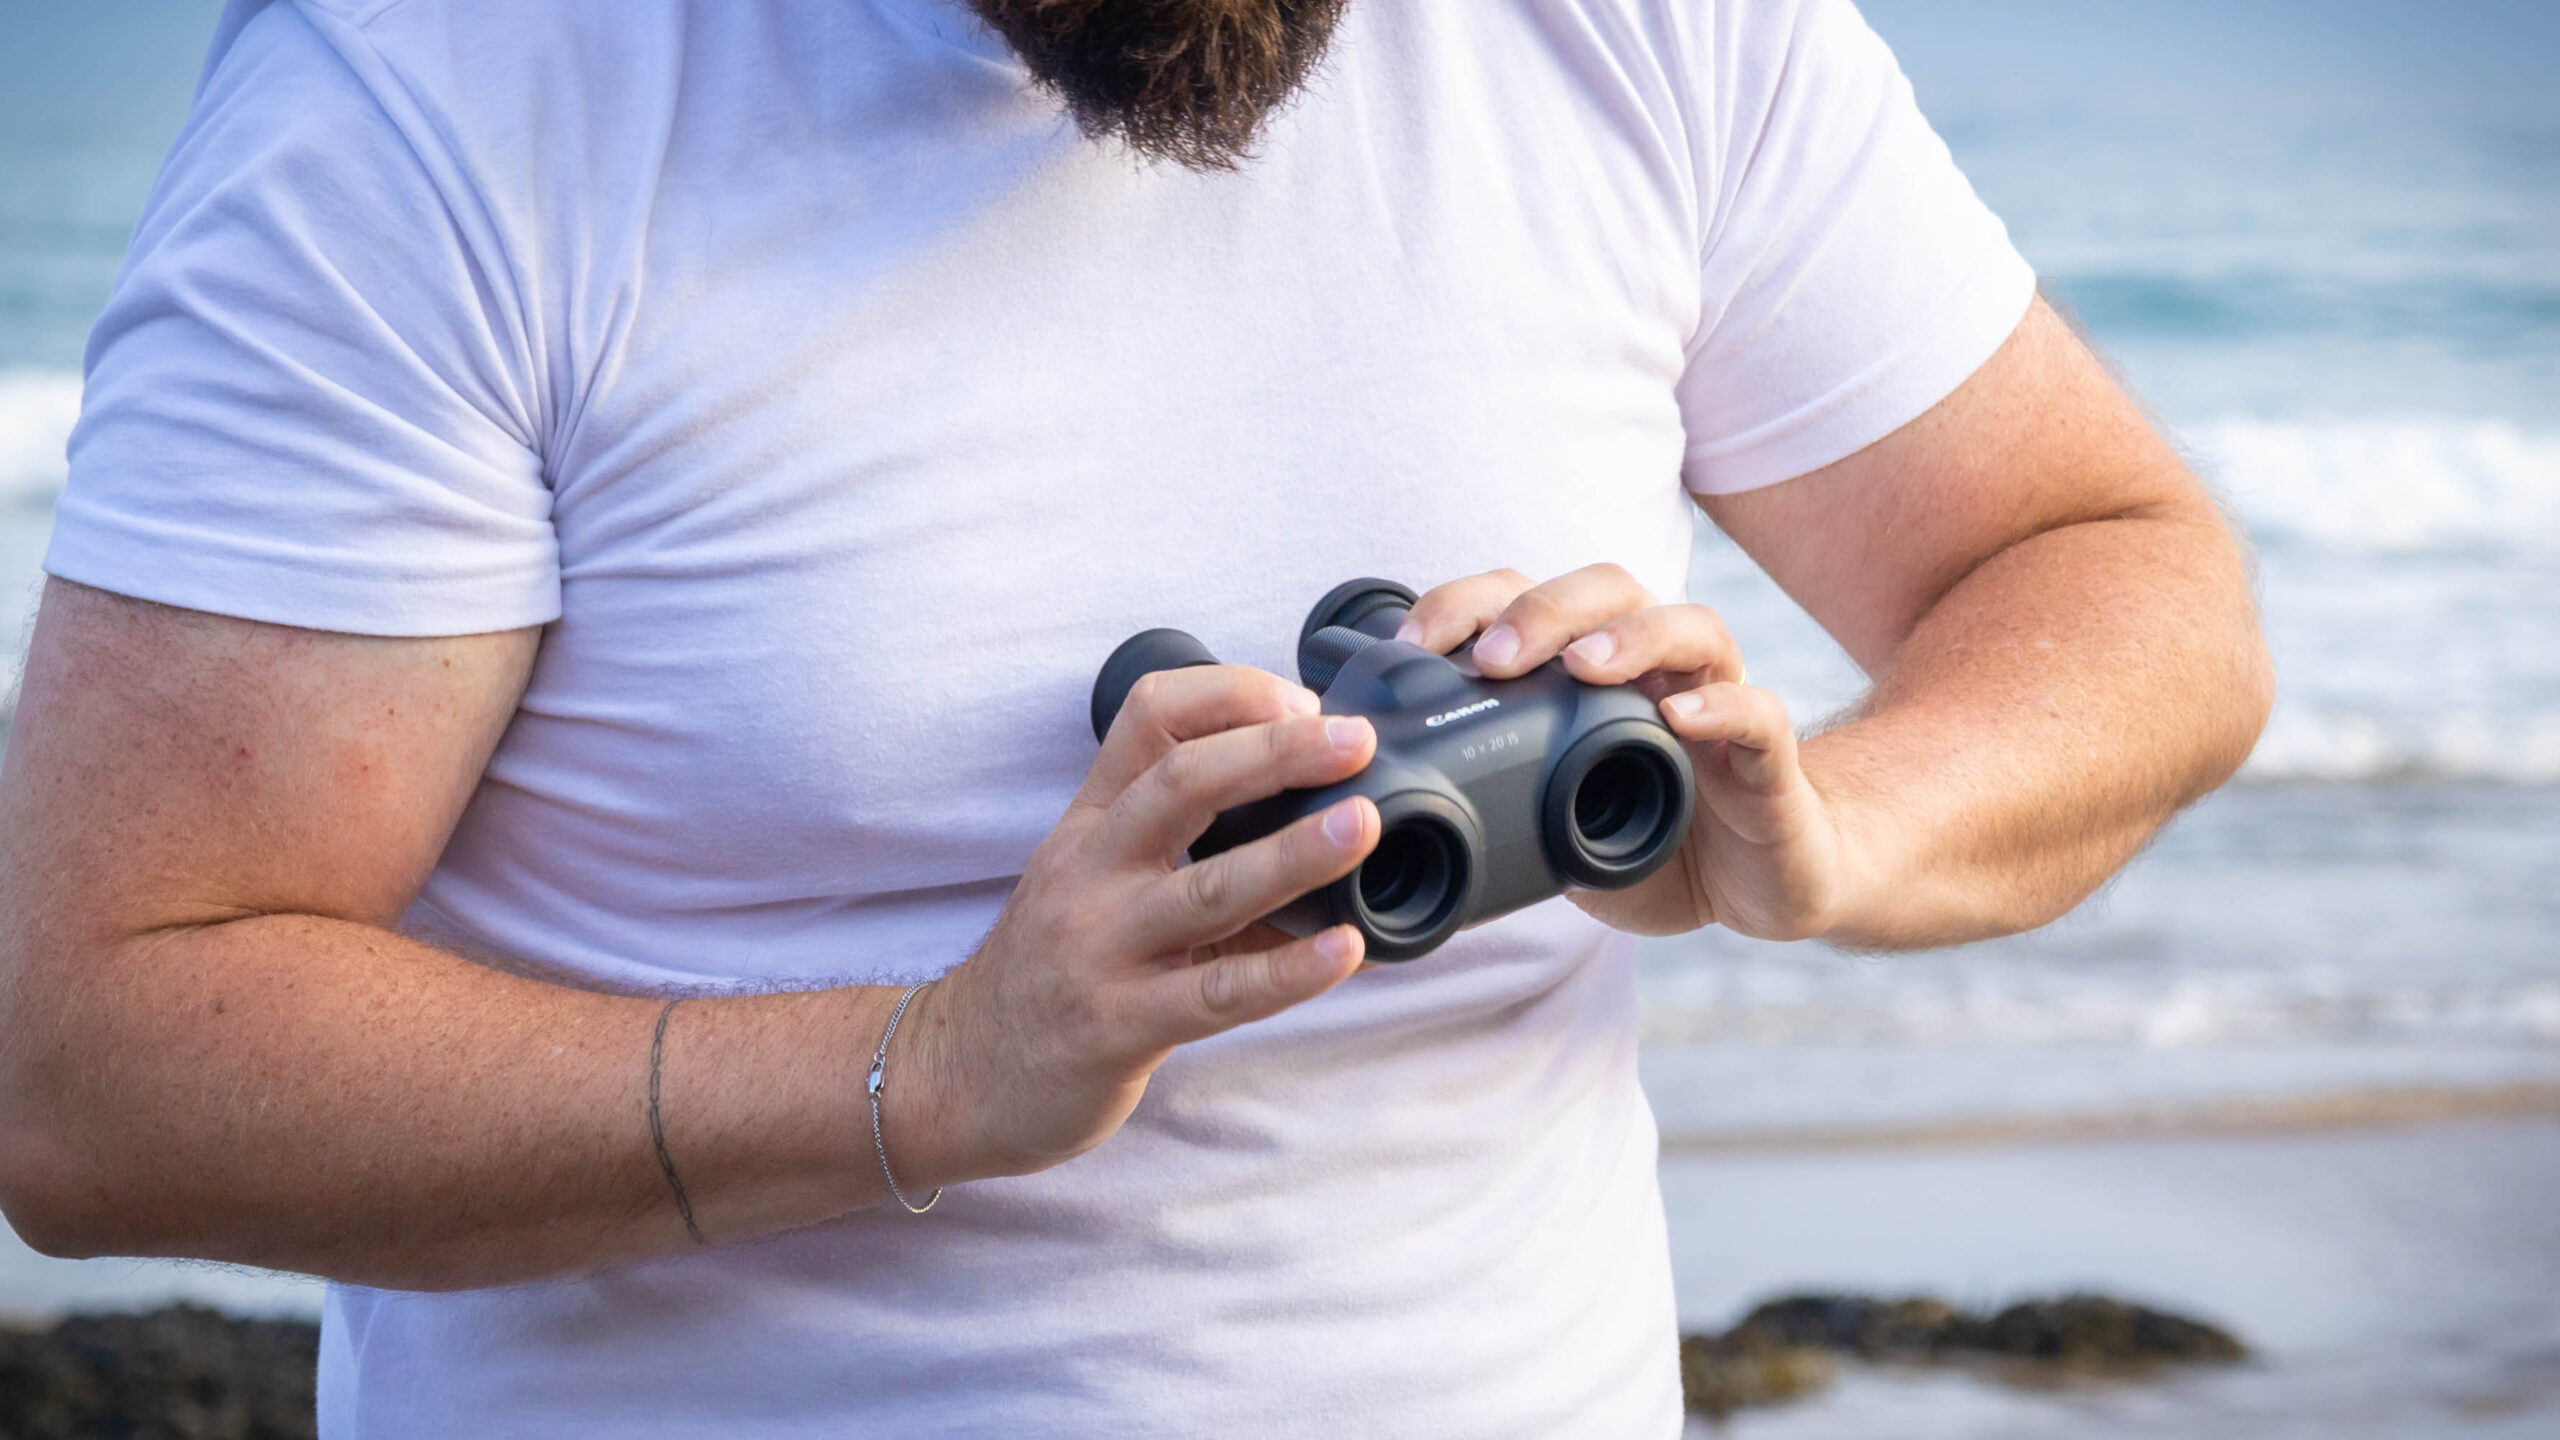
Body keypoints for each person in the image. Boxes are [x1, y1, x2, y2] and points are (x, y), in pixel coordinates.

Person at [0, 0, 2272, 1433]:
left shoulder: (1647, 36)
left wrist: (1826, 833)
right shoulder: (433, 96)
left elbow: (2119, 580)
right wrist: (928, 1070)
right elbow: (88, 1065)